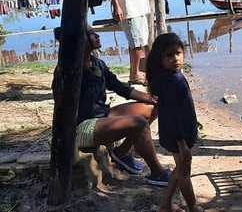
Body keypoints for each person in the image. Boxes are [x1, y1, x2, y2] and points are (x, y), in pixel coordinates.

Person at [52, 24, 171, 187]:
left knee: (152, 108)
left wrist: (150, 98)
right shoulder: (68, 70)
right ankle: (157, 173)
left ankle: (122, 153)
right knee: (139, 124)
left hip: (103, 116)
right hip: (83, 127)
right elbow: (73, 107)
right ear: (80, 41)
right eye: (92, 34)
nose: (97, 36)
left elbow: (119, 87)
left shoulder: (97, 64)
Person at [145, 33, 202, 212]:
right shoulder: (170, 81)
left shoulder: (173, 75)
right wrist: (182, 144)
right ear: (160, 58)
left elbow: (182, 107)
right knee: (184, 172)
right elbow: (174, 115)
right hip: (179, 136)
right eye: (168, 55)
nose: (175, 59)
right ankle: (193, 207)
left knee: (180, 169)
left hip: (181, 133)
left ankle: (165, 205)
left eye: (178, 53)